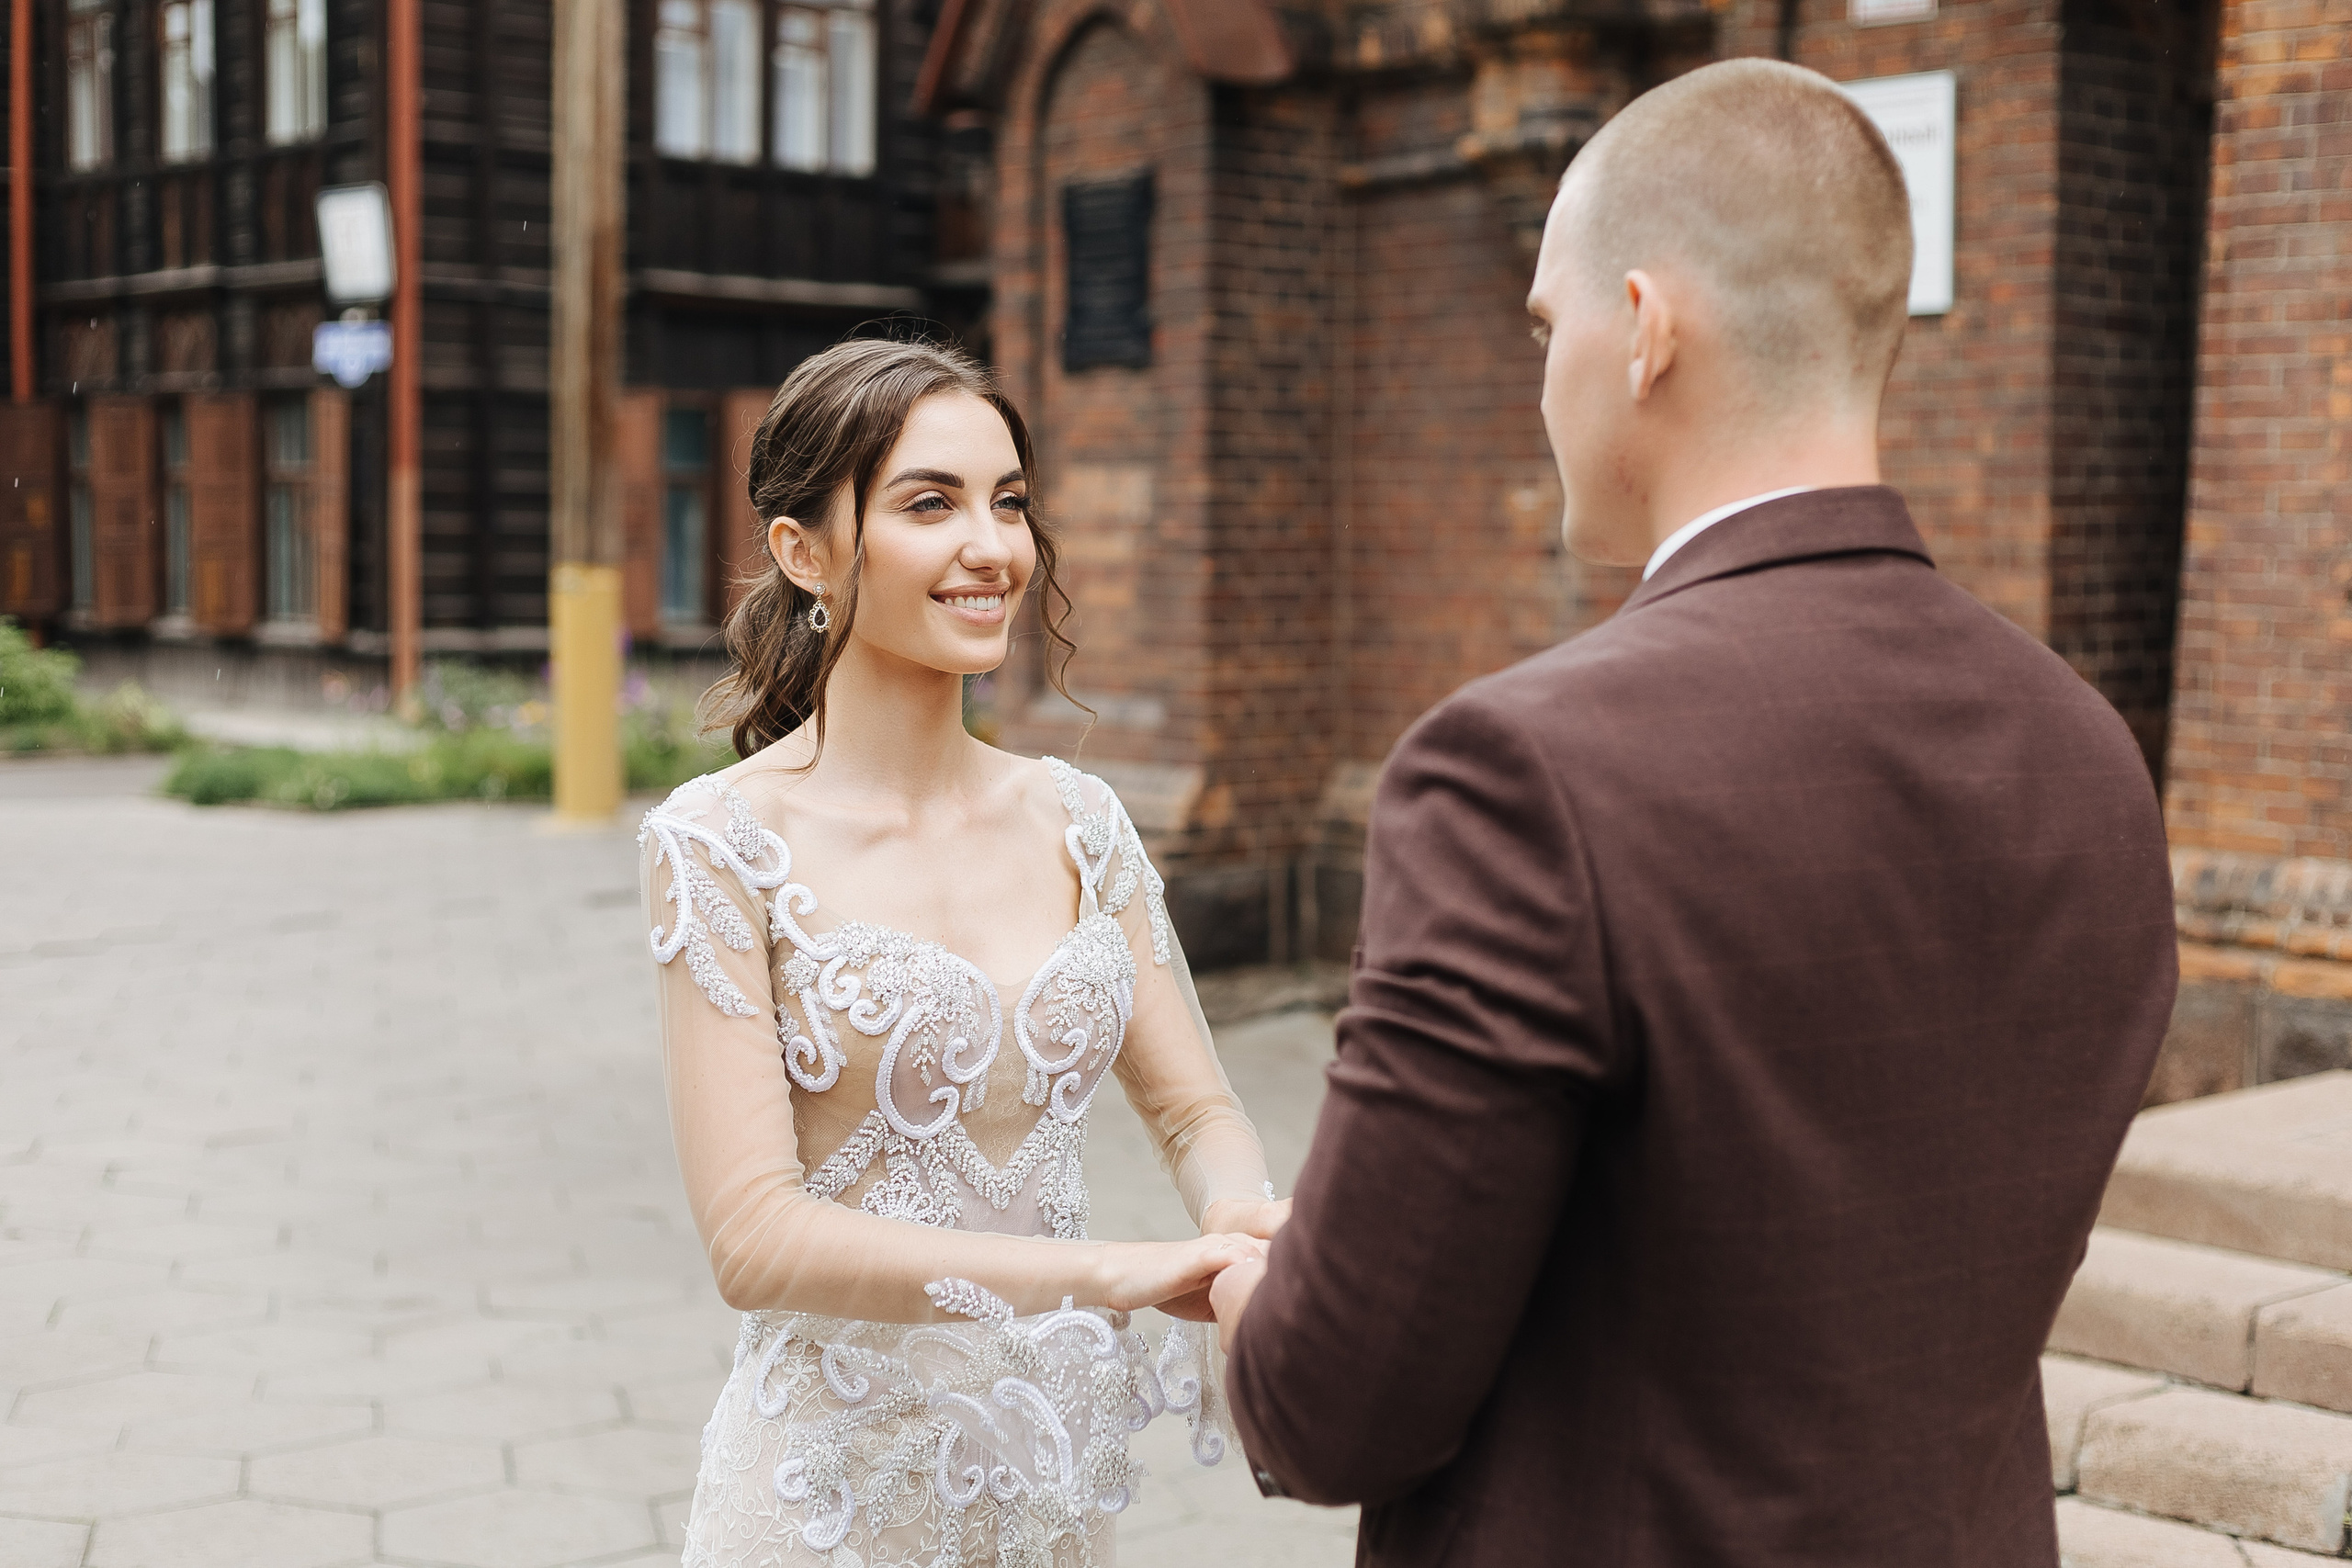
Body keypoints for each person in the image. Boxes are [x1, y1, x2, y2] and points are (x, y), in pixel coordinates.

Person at [1210, 57, 2177, 1567]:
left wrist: (1259, 1300)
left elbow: (1336, 1406)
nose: (1542, 381)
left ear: (1647, 331)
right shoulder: (2089, 757)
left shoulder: (1522, 773)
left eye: (1548, 327)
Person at [639, 337, 1283, 1568]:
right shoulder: (720, 844)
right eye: (930, 503)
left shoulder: (1081, 822)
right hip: (831, 1501)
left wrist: (1240, 1224)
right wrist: (1113, 1272)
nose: (993, 547)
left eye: (1011, 502)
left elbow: (1198, 1111)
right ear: (804, 550)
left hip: (1047, 1494)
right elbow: (756, 1240)